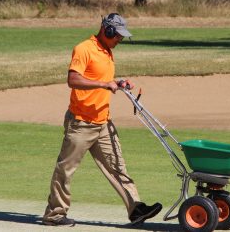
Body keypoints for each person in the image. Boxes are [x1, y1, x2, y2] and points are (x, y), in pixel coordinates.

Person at [42, 13, 162, 227]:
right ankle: (54, 214)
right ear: (107, 30)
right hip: (81, 123)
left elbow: (100, 79)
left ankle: (135, 208)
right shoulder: (84, 49)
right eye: (118, 36)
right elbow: (73, 79)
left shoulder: (107, 51)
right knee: (65, 169)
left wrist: (116, 82)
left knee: (117, 166)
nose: (120, 40)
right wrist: (103, 84)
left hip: (103, 122)